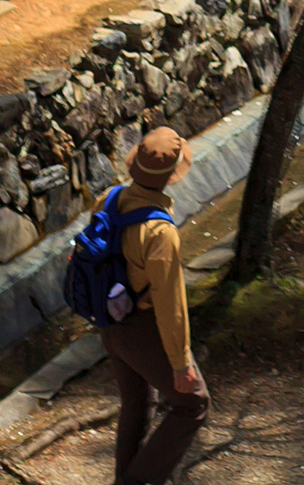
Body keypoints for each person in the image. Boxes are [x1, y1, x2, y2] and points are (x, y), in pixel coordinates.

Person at [90, 127, 208, 484]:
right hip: (143, 328)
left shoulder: (109, 198)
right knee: (194, 405)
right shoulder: (160, 232)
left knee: (139, 404)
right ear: (171, 176)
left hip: (108, 321)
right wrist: (180, 362)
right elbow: (171, 306)